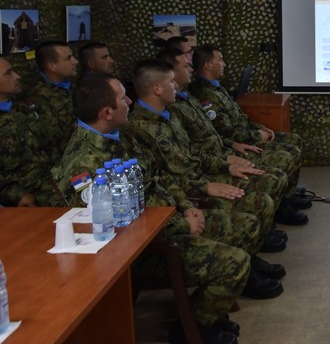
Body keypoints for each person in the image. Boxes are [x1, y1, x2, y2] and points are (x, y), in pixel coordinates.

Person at [51, 74, 259, 344]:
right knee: (235, 263)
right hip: (144, 251)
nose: (129, 101)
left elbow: (158, 177)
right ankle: (190, 329)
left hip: (170, 221)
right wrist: (180, 223)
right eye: (123, 97)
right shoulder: (84, 164)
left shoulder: (121, 138)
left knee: (246, 225)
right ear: (106, 112)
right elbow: (117, 230)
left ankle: (208, 312)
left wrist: (186, 207)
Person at [121, 59, 285, 299]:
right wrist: (201, 191)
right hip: (187, 194)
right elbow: (163, 177)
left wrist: (225, 164)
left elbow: (191, 155)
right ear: (156, 88)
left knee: (265, 187)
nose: (175, 85)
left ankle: (248, 262)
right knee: (259, 202)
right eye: (170, 82)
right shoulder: (138, 130)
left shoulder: (168, 115)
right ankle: (237, 277)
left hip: (197, 182)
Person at [159, 48, 293, 226]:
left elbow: (212, 135)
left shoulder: (186, 99)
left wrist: (233, 145)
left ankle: (279, 210)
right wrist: (226, 161)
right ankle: (270, 220)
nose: (191, 69)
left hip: (218, 156)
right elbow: (178, 166)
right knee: (275, 174)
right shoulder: (175, 109)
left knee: (285, 158)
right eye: (186, 65)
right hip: (204, 173)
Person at [189, 44, 308, 224]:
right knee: (286, 156)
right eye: (220, 60)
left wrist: (260, 128)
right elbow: (226, 131)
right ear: (207, 65)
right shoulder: (204, 93)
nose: (224, 64)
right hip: (235, 144)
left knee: (294, 141)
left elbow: (240, 118)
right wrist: (256, 136)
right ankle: (281, 207)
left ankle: (286, 196)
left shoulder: (217, 88)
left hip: (244, 135)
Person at [0, 56, 57, 206]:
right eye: (8, 73)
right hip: (27, 194)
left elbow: (48, 146)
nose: (17, 76)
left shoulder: (22, 109)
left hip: (50, 182)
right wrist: (16, 196)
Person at [24, 41, 79, 161]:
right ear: (52, 65)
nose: (75, 61)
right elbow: (51, 146)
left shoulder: (71, 85)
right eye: (68, 58)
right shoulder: (38, 98)